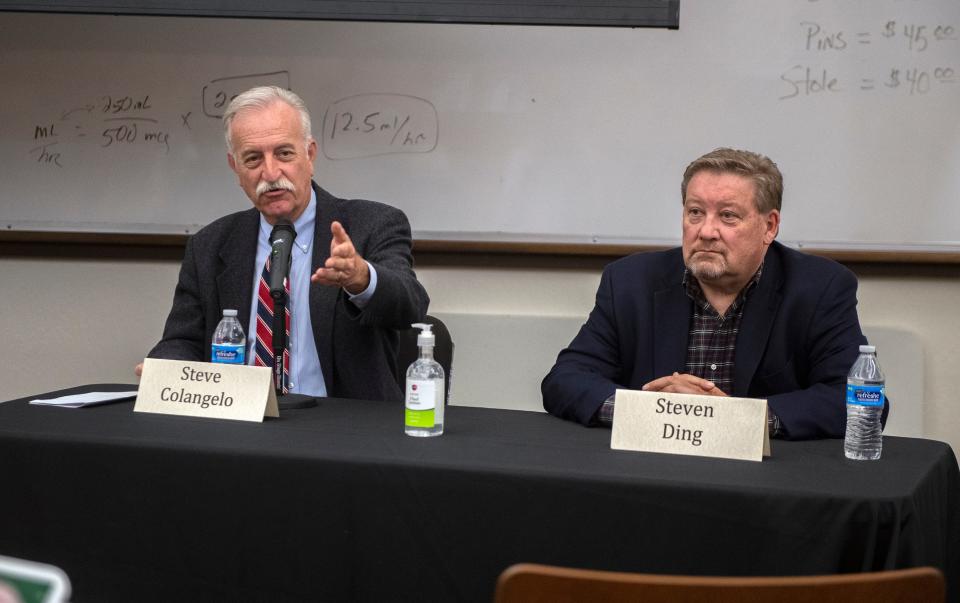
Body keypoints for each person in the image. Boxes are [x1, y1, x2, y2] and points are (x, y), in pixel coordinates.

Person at [542, 148, 884, 440]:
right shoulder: (631, 281)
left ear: (769, 226)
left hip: (765, 483)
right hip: (651, 471)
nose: (706, 231)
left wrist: (735, 418)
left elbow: (863, 401)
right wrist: (656, 411)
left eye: (728, 216)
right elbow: (565, 379)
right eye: (695, 213)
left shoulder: (819, 288)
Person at [138, 86, 429, 402]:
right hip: (238, 423)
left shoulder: (371, 224)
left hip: (344, 429)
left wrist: (362, 279)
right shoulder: (210, 245)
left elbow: (410, 305)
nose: (271, 172)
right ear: (235, 168)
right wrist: (168, 367)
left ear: (310, 154)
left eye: (284, 153)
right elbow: (183, 340)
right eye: (252, 158)